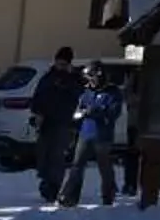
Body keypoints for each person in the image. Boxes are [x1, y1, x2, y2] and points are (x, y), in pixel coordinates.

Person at [59, 63, 125, 208]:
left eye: (91, 78)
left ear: (99, 76)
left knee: (104, 166)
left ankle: (109, 195)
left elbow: (113, 113)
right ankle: (69, 196)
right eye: (87, 78)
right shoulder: (87, 92)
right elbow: (79, 108)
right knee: (77, 165)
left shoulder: (113, 92)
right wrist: (76, 119)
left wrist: (93, 111)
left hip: (103, 136)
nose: (89, 81)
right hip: (85, 133)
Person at [30, 47, 85, 202]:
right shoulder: (48, 77)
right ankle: (46, 182)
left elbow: (80, 95)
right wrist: (36, 114)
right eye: (58, 62)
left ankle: (53, 187)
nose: (59, 66)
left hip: (64, 122)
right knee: (43, 154)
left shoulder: (74, 78)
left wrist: (68, 82)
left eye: (63, 63)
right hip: (46, 121)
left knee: (57, 156)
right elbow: (38, 96)